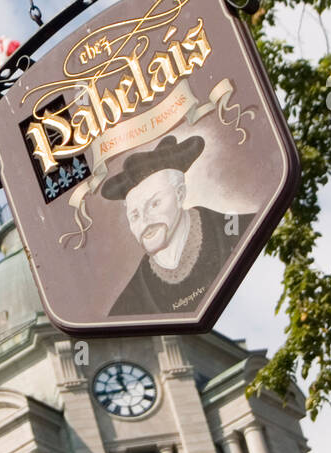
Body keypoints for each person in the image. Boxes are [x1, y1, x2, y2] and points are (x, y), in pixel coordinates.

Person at [102, 134, 253, 317]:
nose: (145, 221)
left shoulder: (242, 232)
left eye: (154, 204)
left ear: (180, 195)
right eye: (134, 215)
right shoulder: (127, 308)